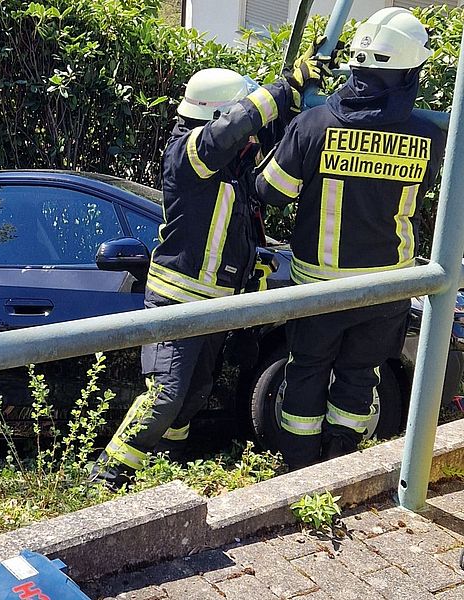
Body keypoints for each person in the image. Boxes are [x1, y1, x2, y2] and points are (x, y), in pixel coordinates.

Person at [90, 53, 328, 488]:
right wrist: (281, 88)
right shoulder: (189, 153)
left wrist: (294, 97)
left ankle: (165, 467)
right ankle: (106, 476)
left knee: (193, 396)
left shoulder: (231, 164)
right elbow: (235, 127)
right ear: (217, 115)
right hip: (178, 303)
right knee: (164, 397)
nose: (249, 136)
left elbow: (262, 136)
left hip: (214, 306)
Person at [255, 7, 446, 469]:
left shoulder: (315, 124)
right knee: (361, 376)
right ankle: (341, 458)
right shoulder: (429, 135)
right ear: (409, 73)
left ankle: (300, 469)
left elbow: (271, 191)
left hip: (319, 289)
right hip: (387, 288)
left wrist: (287, 135)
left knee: (306, 373)